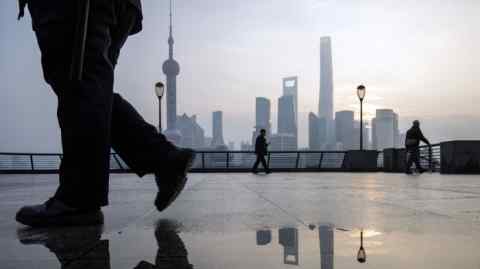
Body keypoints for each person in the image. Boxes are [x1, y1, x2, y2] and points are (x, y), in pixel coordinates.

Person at [15, 0, 195, 227]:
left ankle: (79, 198)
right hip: (116, 7)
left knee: (80, 81)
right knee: (91, 88)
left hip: (76, 7)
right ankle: (165, 159)